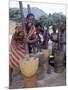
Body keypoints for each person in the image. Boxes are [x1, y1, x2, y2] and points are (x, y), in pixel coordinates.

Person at [9, 13, 37, 86]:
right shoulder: (20, 26)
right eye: (29, 19)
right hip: (16, 44)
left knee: (24, 60)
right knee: (12, 61)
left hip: (24, 45)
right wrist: (21, 37)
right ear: (26, 19)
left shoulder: (33, 28)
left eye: (32, 20)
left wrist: (29, 41)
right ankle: (10, 77)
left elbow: (35, 39)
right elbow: (15, 37)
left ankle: (24, 73)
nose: (31, 21)